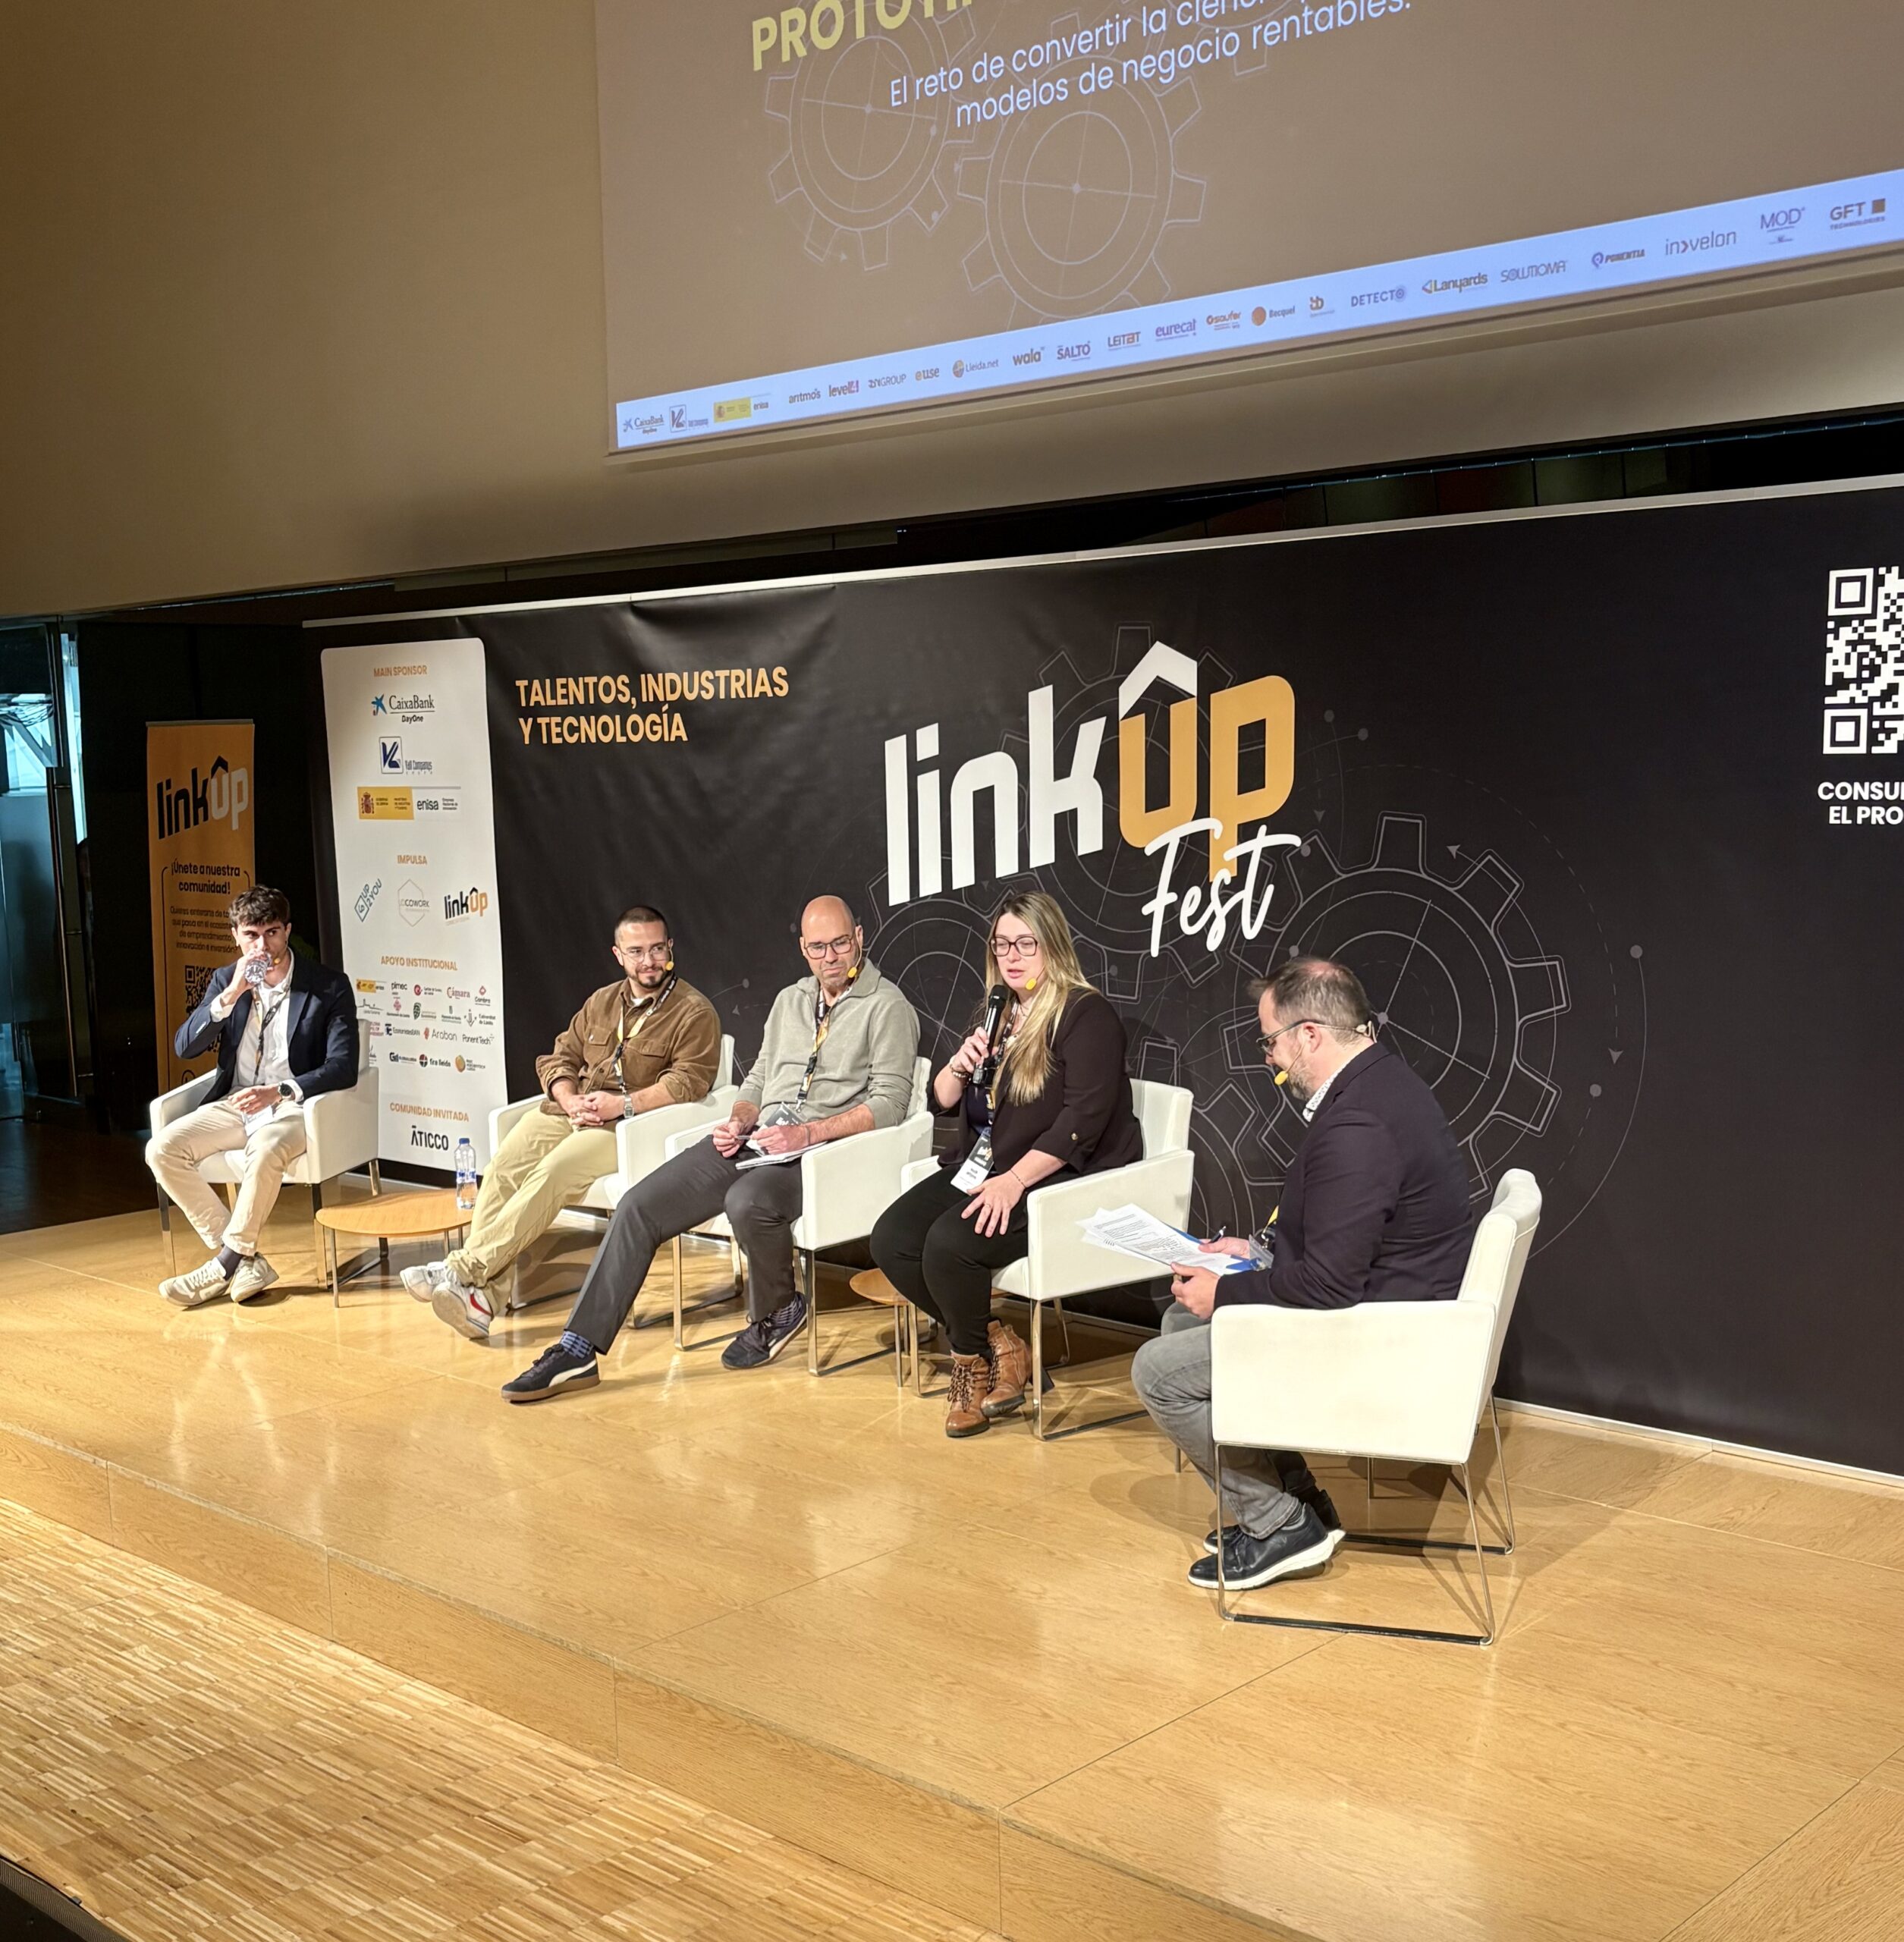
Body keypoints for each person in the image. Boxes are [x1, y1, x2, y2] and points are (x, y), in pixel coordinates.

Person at [1133, 957, 1472, 1594]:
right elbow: (1345, 1235)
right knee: (1180, 1319)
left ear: (1309, 1035)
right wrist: (1254, 1250)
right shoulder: (1380, 1083)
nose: (1270, 1059)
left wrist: (1227, 1290)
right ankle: (1300, 1501)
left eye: (1270, 1042)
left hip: (1378, 1339)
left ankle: (1277, 1525)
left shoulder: (1357, 1122)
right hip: (1391, 1310)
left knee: (1157, 1373)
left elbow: (1329, 1286)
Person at [501, 895, 919, 1401]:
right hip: (760, 1139)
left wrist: (807, 1135)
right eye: (818, 947)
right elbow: (759, 1079)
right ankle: (577, 1348)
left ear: (859, 939)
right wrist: (739, 1120)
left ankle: (779, 1309)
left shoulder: (888, 1006)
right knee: (638, 1205)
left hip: (824, 1153)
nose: (830, 957)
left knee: (748, 1200)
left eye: (840, 944)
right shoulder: (791, 1000)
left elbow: (891, 1104)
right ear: (803, 949)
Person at [871, 890, 1141, 1437]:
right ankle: (1000, 1344)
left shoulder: (1084, 1014)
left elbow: (1083, 1119)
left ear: (1053, 946)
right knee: (892, 1239)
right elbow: (943, 1099)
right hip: (991, 1162)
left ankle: (968, 1367)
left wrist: (1014, 1182)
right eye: (1001, 945)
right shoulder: (999, 1013)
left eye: (1025, 944)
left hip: (1059, 1175)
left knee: (949, 1243)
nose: (1011, 956)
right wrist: (960, 1062)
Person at [413, 906, 721, 1339]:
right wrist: (569, 1097)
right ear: (619, 954)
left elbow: (689, 1082)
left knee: (553, 1172)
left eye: (657, 949)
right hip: (571, 1112)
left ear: (670, 948)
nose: (648, 961)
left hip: (627, 1128)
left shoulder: (694, 1011)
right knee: (502, 1168)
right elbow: (559, 1058)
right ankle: (482, 1302)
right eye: (636, 952)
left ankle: (463, 1269)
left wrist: (621, 1105)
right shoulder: (601, 1002)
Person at [147, 885, 359, 1307]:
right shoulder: (226, 981)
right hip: (236, 1104)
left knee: (264, 1152)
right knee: (161, 1150)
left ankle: (223, 1265)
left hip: (293, 1106)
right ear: (236, 937)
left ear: (287, 931)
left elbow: (343, 1065)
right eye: (252, 936)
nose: (263, 946)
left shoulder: (328, 986)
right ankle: (246, 1259)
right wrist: (231, 995)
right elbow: (184, 1047)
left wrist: (279, 1091)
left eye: (272, 933)